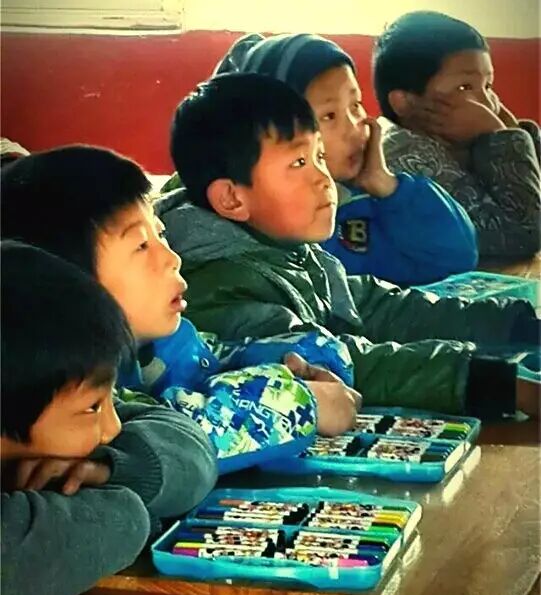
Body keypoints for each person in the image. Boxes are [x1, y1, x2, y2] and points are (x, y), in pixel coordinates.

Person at [158, 72, 540, 419]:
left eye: (319, 157)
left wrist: (519, 325)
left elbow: (384, 309)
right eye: (298, 163)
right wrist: (502, 386)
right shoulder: (216, 286)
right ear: (231, 199)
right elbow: (347, 364)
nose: (323, 179)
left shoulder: (285, 248)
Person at [1, 146, 361, 474]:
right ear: (66, 282)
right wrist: (300, 400)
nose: (172, 259)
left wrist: (305, 364)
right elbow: (177, 433)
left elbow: (229, 355)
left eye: (161, 235)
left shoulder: (165, 345)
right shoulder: (69, 393)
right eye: (141, 246)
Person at [1, 240, 218, 595]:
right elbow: (116, 525)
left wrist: (112, 468)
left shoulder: (58, 394)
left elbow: (187, 441)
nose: (112, 428)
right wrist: (133, 511)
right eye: (92, 408)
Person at [201, 32, 478, 286]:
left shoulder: (368, 202)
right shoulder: (258, 219)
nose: (354, 128)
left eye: (355, 106)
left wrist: (389, 187)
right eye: (329, 116)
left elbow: (456, 259)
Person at [372, 10, 541, 260]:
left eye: (488, 86)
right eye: (465, 87)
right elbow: (522, 236)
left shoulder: (467, 140)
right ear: (405, 103)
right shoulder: (401, 154)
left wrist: (514, 129)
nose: (488, 103)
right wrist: (502, 136)